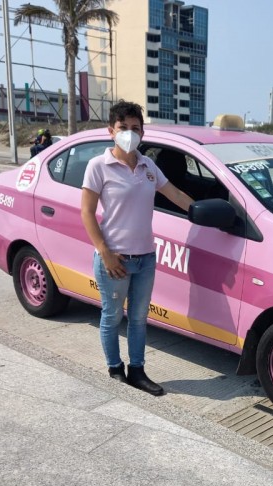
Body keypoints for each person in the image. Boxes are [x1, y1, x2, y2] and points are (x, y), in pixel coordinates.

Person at [80, 100, 194, 396]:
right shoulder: (98, 166)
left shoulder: (148, 165)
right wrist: (104, 252)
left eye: (135, 128)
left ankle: (138, 371)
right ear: (111, 131)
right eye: (123, 128)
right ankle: (115, 369)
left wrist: (204, 211)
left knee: (140, 319)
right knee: (112, 316)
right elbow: (86, 212)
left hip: (145, 257)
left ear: (142, 132)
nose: (129, 133)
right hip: (115, 258)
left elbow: (175, 194)